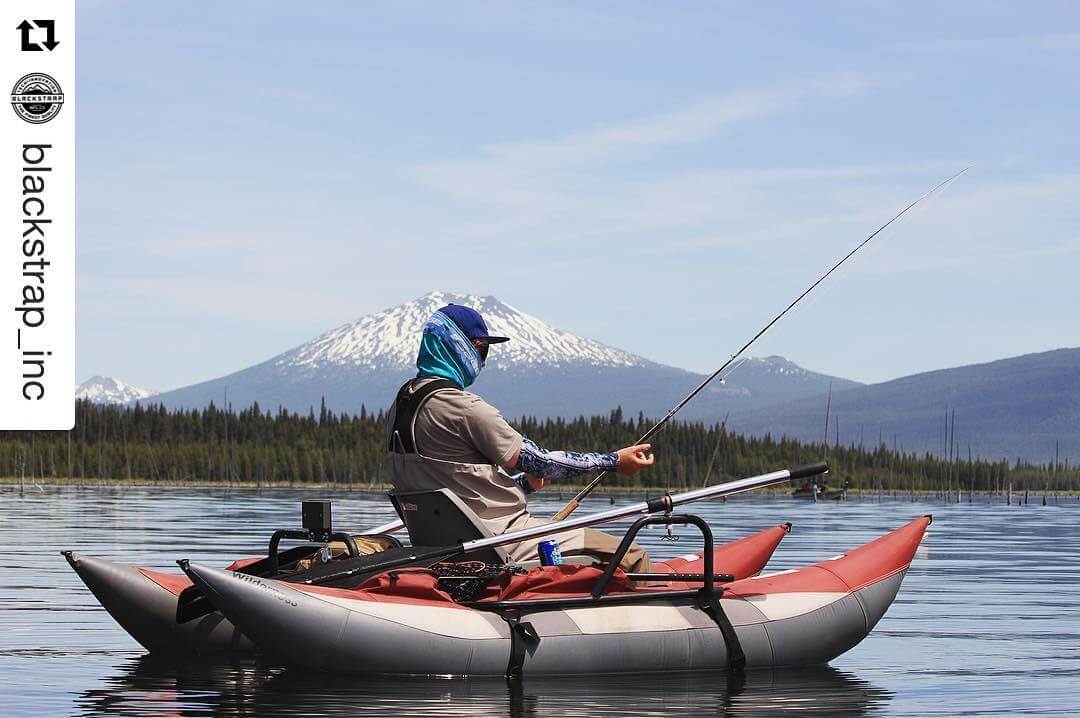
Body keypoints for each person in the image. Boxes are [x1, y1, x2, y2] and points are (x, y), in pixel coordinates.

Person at [387, 303, 655, 572]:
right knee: (632, 553)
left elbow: (450, 484)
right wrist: (614, 461)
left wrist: (523, 486)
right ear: (458, 344)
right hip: (499, 540)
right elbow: (541, 462)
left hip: (443, 544)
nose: (484, 359)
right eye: (482, 348)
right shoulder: (464, 407)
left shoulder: (402, 403)